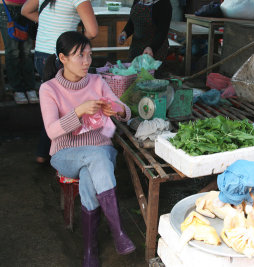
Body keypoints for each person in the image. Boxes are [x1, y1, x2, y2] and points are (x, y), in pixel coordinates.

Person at [39, 31, 135, 267]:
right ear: (62, 57)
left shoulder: (97, 82)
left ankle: (90, 251)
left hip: (100, 151)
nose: (86, 62)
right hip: (65, 155)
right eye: (80, 56)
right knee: (97, 156)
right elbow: (51, 131)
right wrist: (80, 111)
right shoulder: (48, 89)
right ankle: (118, 232)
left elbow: (124, 109)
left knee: (90, 175)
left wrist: (118, 109)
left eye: (89, 55)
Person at [22, 0, 98, 163]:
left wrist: (50, 26)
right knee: (67, 107)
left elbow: (26, 11)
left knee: (53, 104)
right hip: (61, 57)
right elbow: (92, 31)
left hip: (41, 55)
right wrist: (75, 45)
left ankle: (43, 152)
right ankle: (61, 156)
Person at [0, 0, 37, 104]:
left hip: (28, 7)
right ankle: (17, 89)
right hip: (7, 7)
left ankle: (30, 87)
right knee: (13, 52)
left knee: (26, 52)